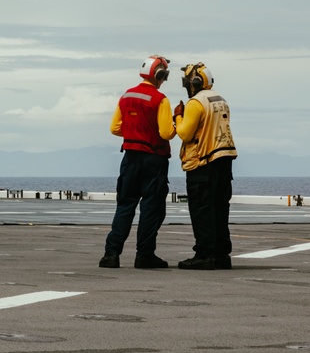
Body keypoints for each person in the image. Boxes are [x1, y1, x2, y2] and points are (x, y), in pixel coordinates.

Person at [99, 55, 176, 269]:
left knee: (125, 205)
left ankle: (111, 255)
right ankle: (145, 255)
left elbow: (115, 128)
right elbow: (166, 132)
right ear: (159, 75)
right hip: (154, 159)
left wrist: (134, 132)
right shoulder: (161, 99)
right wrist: (178, 121)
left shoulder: (126, 96)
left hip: (130, 157)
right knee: (151, 208)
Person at [173, 63, 238, 270]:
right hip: (224, 159)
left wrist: (178, 116)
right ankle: (221, 253)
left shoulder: (196, 103)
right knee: (220, 208)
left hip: (203, 162)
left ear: (195, 82)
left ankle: (205, 254)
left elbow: (185, 133)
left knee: (202, 209)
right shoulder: (221, 99)